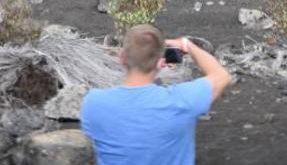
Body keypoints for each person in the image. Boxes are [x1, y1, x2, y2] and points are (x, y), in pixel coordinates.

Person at [80, 24, 232, 165]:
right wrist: (187, 45)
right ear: (161, 63)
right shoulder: (181, 101)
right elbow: (221, 76)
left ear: (121, 57)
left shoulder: (93, 104)